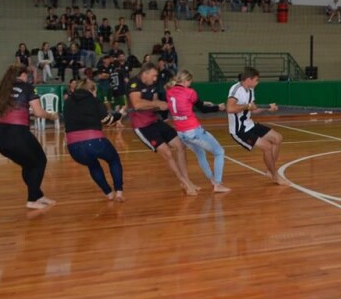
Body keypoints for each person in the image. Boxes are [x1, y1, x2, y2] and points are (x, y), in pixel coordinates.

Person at [0, 65, 59, 209]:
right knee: (39, 161)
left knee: (29, 164)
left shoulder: (3, 89)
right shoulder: (27, 87)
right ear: (22, 75)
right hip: (17, 133)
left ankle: (37, 195)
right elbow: (39, 112)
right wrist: (52, 116)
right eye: (27, 75)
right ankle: (32, 199)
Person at [127, 63, 199, 194]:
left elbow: (153, 105)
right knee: (167, 153)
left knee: (180, 146)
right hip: (142, 126)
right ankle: (183, 182)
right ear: (146, 73)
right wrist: (157, 103)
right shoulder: (134, 83)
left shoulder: (152, 84)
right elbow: (137, 104)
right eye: (153, 75)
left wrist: (162, 106)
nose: (155, 79)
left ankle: (187, 180)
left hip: (154, 120)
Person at [167, 70, 230, 193]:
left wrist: (205, 103)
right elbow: (203, 109)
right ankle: (218, 184)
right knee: (219, 152)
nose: (190, 84)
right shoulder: (190, 92)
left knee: (200, 154)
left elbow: (190, 104)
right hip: (193, 131)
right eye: (190, 82)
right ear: (185, 81)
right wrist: (219, 107)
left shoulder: (170, 92)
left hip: (181, 132)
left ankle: (212, 180)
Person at [63, 78, 126, 201]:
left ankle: (108, 193)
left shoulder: (68, 102)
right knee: (113, 160)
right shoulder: (94, 100)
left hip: (73, 147)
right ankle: (118, 191)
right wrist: (120, 114)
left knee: (92, 165)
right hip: (94, 141)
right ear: (92, 90)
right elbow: (107, 121)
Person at [227, 67, 287, 185]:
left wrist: (268, 108)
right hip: (239, 130)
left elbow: (253, 110)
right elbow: (230, 108)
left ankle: (270, 171)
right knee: (267, 147)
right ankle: (275, 176)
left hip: (249, 124)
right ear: (249, 79)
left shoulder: (250, 90)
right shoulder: (236, 89)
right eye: (256, 80)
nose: (257, 82)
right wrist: (247, 106)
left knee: (277, 138)